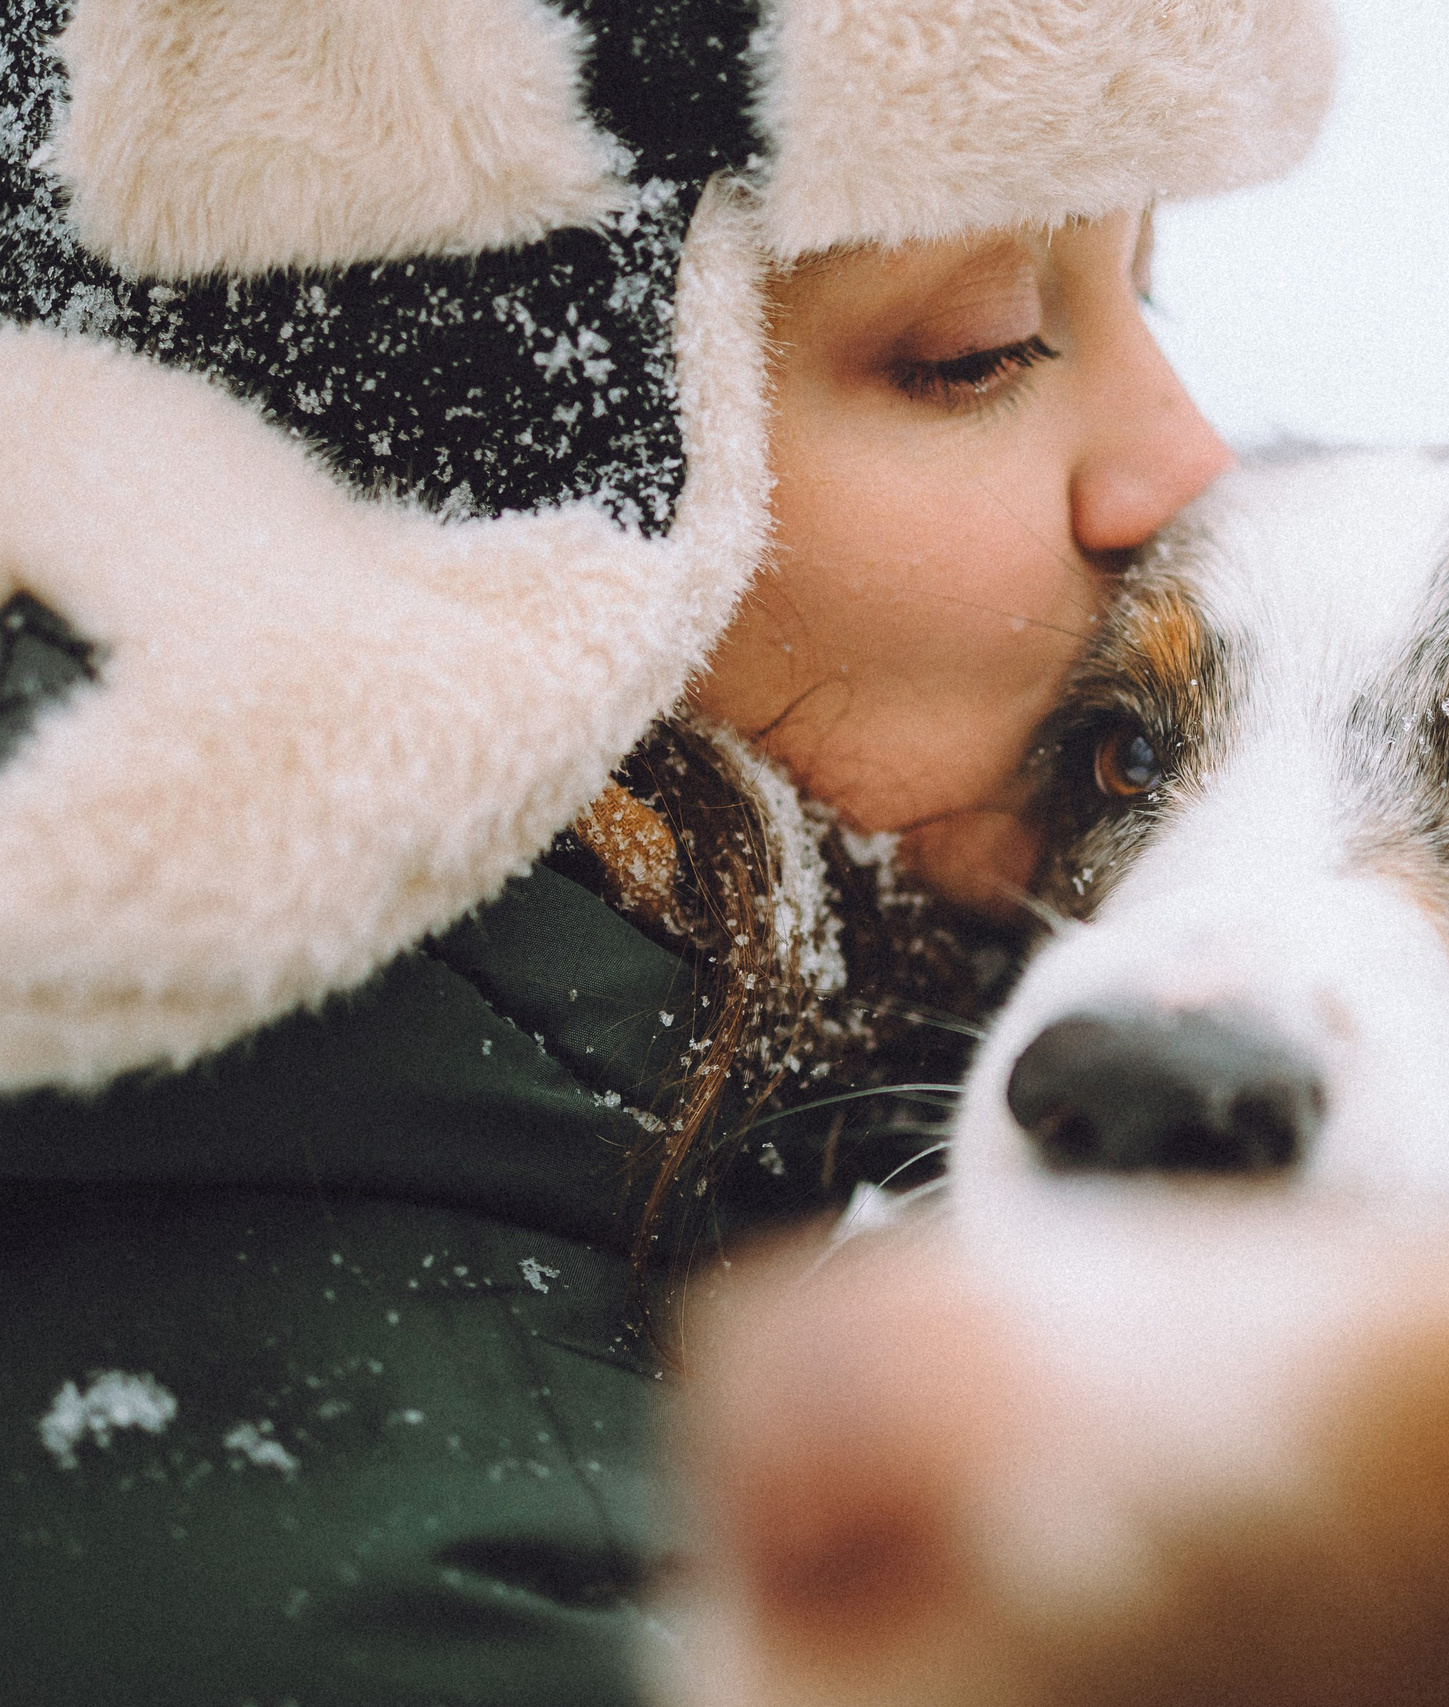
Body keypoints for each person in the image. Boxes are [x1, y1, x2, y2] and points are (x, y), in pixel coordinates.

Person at [0, 2, 1335, 1702]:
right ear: (475, 509)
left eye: (1145, 296)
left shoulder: (574, 1260)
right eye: (974, 349)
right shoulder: (412, 1592)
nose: (1189, 470)